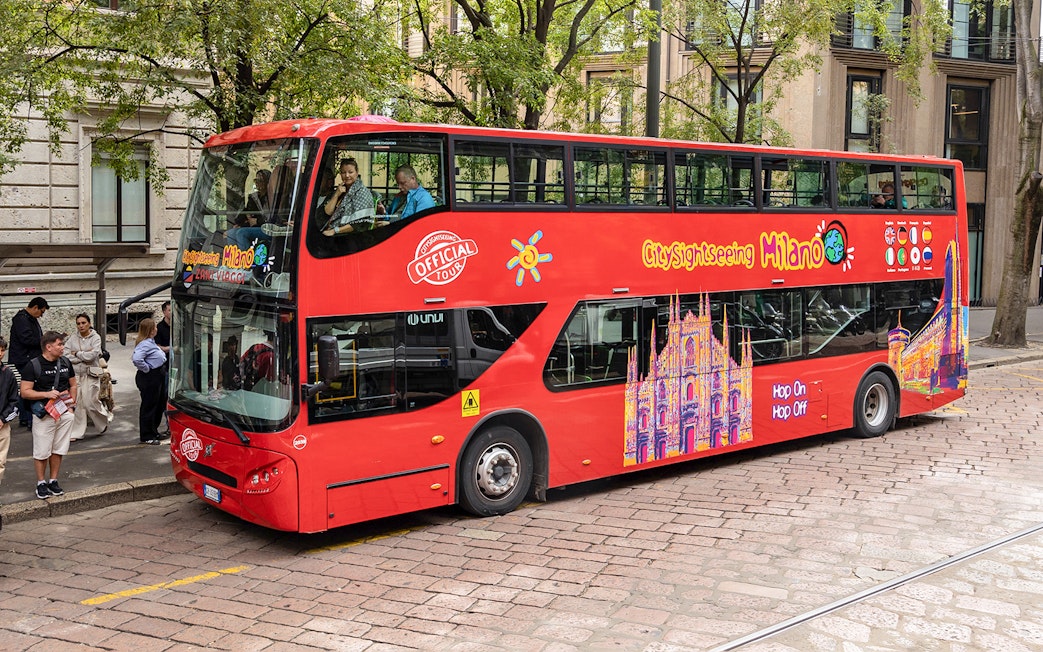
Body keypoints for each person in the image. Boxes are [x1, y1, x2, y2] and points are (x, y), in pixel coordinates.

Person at [20, 331, 77, 500]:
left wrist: (72, 405)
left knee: (59, 449)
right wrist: (46, 395)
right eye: (59, 344)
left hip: (64, 413)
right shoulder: (33, 365)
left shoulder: (66, 362)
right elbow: (24, 392)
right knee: (42, 451)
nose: (63, 347)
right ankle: (41, 483)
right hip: (44, 414)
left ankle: (53, 480)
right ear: (48, 346)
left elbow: (73, 384)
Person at [65, 313, 113, 441]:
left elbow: (92, 356)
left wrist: (76, 354)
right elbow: (65, 354)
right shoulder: (73, 338)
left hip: (91, 374)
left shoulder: (95, 337)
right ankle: (77, 432)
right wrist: (82, 356)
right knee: (78, 403)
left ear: (89, 323)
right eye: (78, 323)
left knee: (90, 401)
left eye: (83, 323)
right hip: (76, 375)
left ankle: (103, 421)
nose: (81, 326)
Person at [8, 296, 48, 428]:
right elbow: (27, 339)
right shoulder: (22, 319)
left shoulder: (28, 318)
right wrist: (44, 341)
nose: (41, 315)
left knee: (27, 388)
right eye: (41, 312)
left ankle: (25, 418)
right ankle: (30, 419)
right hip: (25, 359)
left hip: (26, 358)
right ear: (35, 307)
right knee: (30, 388)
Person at [131, 318, 167, 445]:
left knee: (159, 403)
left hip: (158, 375)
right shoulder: (144, 344)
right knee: (149, 405)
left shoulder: (151, 342)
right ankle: (146, 435)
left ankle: (153, 430)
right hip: (150, 376)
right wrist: (147, 369)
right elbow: (136, 359)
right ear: (151, 330)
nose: (157, 329)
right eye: (155, 327)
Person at [322, 158, 375, 235]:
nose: (347, 175)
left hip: (350, 236)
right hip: (330, 229)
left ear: (357, 173)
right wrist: (336, 195)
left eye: (350, 172)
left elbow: (361, 223)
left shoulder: (362, 192)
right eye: (343, 172)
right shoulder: (341, 190)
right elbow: (327, 213)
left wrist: (335, 231)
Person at [0, 338, 20, 520]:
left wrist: (3, 419)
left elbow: (15, 402)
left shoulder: (8, 374)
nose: (0, 353)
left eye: (2, 350)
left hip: (1, 427)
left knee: (0, 464)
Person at [229, 169, 272, 249]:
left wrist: (257, 221)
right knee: (230, 233)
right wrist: (239, 223)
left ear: (268, 182)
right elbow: (246, 212)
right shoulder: (254, 198)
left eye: (261, 180)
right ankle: (234, 259)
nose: (257, 183)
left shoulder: (271, 198)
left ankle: (246, 259)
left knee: (241, 233)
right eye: (256, 180)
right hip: (253, 227)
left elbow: (272, 217)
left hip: (267, 228)